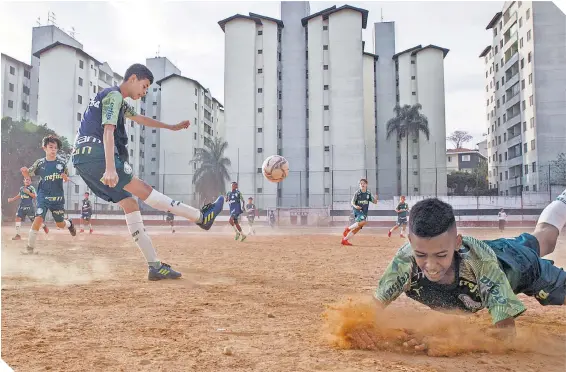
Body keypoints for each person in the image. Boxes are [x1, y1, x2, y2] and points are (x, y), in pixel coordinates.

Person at [71, 63, 224, 281]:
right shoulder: (114, 96)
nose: (144, 92)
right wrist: (111, 167)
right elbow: (108, 131)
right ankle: (201, 217)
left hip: (82, 159)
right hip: (95, 155)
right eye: (144, 86)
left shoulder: (116, 101)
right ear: (132, 78)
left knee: (130, 203)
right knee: (144, 190)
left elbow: (140, 119)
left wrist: (171, 127)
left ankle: (155, 266)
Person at [358, 191, 566, 350]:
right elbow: (369, 311)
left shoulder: (481, 265)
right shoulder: (404, 261)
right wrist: (362, 329)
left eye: (440, 255)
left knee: (546, 239)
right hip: (498, 250)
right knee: (543, 238)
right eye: (421, 255)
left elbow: (506, 334)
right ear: (410, 242)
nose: (430, 265)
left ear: (457, 243)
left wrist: (448, 341)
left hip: (521, 267)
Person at [21, 135, 77, 254]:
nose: (53, 150)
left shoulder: (61, 163)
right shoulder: (40, 163)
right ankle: (29, 248)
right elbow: (28, 176)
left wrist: (65, 177)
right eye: (51, 147)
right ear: (44, 148)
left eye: (55, 148)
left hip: (57, 198)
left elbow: (66, 177)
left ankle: (69, 223)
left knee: (60, 224)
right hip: (43, 196)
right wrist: (25, 173)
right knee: (38, 218)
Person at [341, 178, 378, 246]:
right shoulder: (357, 193)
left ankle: (345, 240)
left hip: (364, 212)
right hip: (357, 210)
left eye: (364, 183)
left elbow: (374, 202)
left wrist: (376, 199)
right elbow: (352, 202)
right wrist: (356, 206)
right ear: (359, 185)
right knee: (363, 221)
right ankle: (348, 229)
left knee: (357, 228)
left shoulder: (368, 193)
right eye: (361, 183)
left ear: (366, 184)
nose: (362, 184)